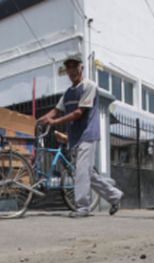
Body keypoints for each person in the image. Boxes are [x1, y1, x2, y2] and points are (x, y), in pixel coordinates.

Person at [38, 54, 124, 217]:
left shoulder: (89, 86)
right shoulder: (68, 93)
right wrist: (41, 120)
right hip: (75, 137)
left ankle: (83, 207)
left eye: (74, 66)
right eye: (69, 67)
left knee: (81, 171)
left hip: (88, 134)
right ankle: (114, 195)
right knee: (87, 173)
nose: (72, 70)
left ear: (81, 68)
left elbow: (78, 112)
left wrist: (55, 122)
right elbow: (56, 110)